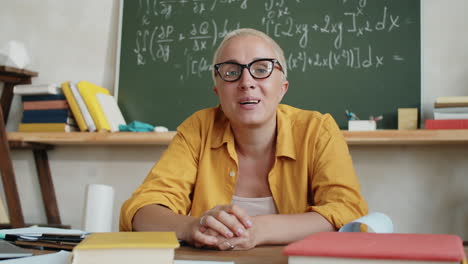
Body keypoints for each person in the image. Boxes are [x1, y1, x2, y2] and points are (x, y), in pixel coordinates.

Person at [120, 28, 368, 250]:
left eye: (261, 69)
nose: (246, 82)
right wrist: (191, 227)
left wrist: (260, 230)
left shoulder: (318, 130)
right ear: (218, 90)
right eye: (231, 72)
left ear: (283, 87)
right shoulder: (198, 129)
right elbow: (141, 211)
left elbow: (348, 212)